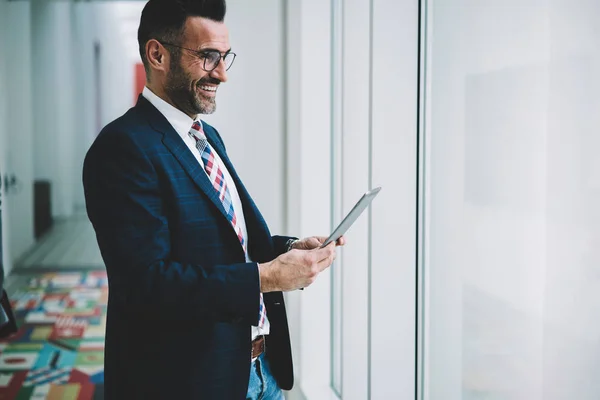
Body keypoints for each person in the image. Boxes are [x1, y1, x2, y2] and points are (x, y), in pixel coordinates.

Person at [82, 0, 344, 398]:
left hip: (260, 369)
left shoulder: (207, 138)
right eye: (207, 57)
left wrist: (290, 249)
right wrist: (269, 277)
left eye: (224, 57)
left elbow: (228, 248)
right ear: (157, 55)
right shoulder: (122, 148)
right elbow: (146, 284)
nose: (221, 74)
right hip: (191, 381)